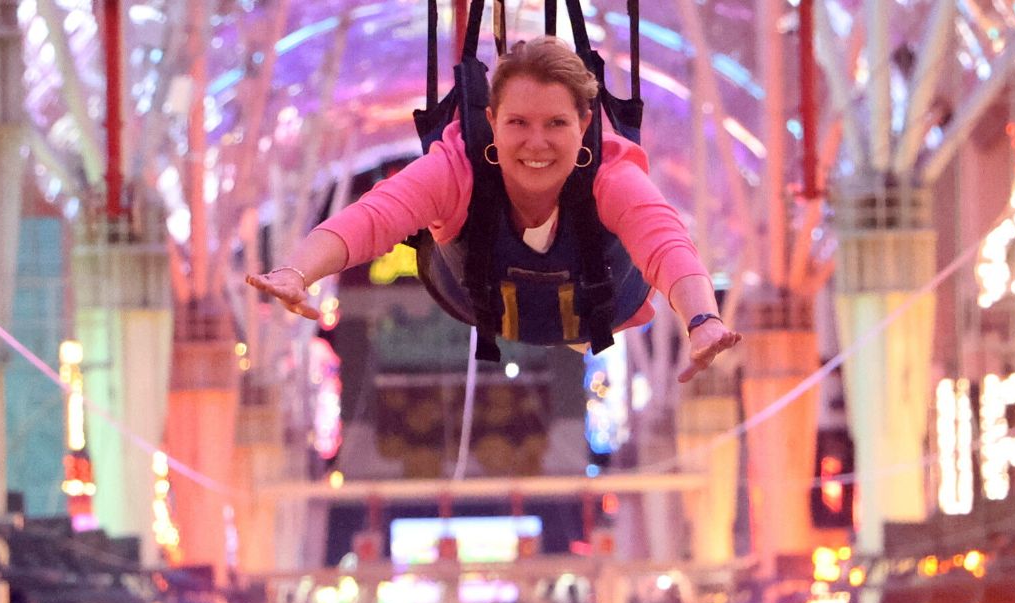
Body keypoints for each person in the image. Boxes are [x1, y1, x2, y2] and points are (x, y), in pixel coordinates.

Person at [247, 36, 742, 383]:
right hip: (472, 297)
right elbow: (372, 218)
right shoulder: (456, 168)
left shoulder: (611, 175)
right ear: (491, 120)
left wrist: (703, 320)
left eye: (556, 124)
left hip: (607, 305)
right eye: (518, 123)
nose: (536, 144)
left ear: (585, 123)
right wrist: (297, 271)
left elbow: (667, 246)